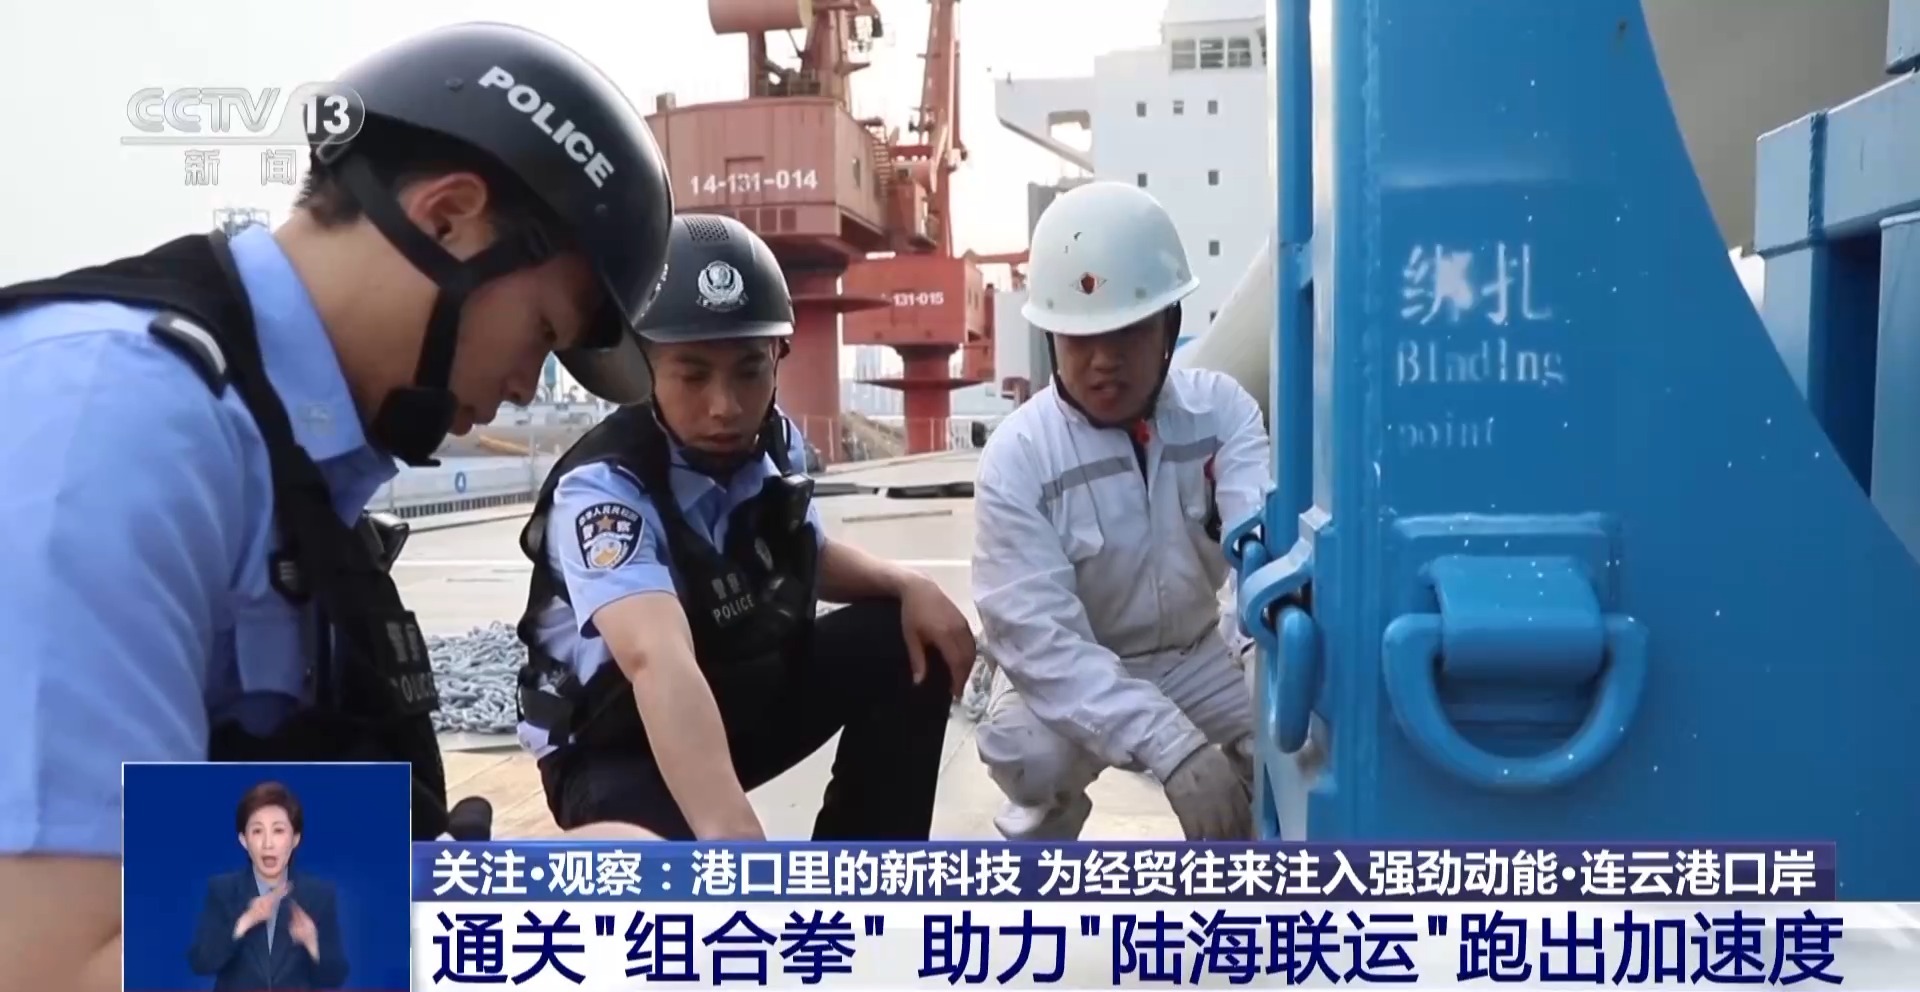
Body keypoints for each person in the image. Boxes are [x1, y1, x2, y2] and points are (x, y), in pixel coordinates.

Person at [0, 23, 674, 991]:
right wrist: (505, 924)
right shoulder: (119, 424)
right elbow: (58, 962)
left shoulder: (292, 467)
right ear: (450, 218)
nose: (527, 386)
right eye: (541, 330)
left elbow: (226, 856)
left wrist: (472, 883)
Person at [514, 212, 977, 841]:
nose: (725, 405)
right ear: (644, 366)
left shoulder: (772, 443)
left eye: (750, 370)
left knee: (901, 640)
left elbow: (804, 551)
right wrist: (729, 832)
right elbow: (654, 656)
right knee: (679, 887)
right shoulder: (607, 489)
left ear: (779, 357)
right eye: (693, 374)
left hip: (731, 695)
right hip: (618, 742)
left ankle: (862, 876)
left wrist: (908, 585)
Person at [969, 180, 1273, 841]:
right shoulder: (1018, 458)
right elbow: (1042, 641)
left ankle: (1246, 846)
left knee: (1296, 721)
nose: (1104, 361)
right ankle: (1046, 849)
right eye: (1081, 338)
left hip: (1197, 654)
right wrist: (1175, 748)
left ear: (1168, 326)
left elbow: (1259, 539)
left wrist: (1259, 632)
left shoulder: (1222, 414)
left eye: (1128, 331)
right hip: (1075, 660)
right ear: (1051, 336)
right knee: (1028, 751)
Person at [188, 782, 347, 991]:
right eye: (257, 831)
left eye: (278, 831)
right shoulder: (223, 891)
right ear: (244, 840)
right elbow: (201, 963)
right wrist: (244, 922)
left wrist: (312, 942)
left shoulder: (318, 895)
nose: (268, 844)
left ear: (295, 839)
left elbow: (335, 978)